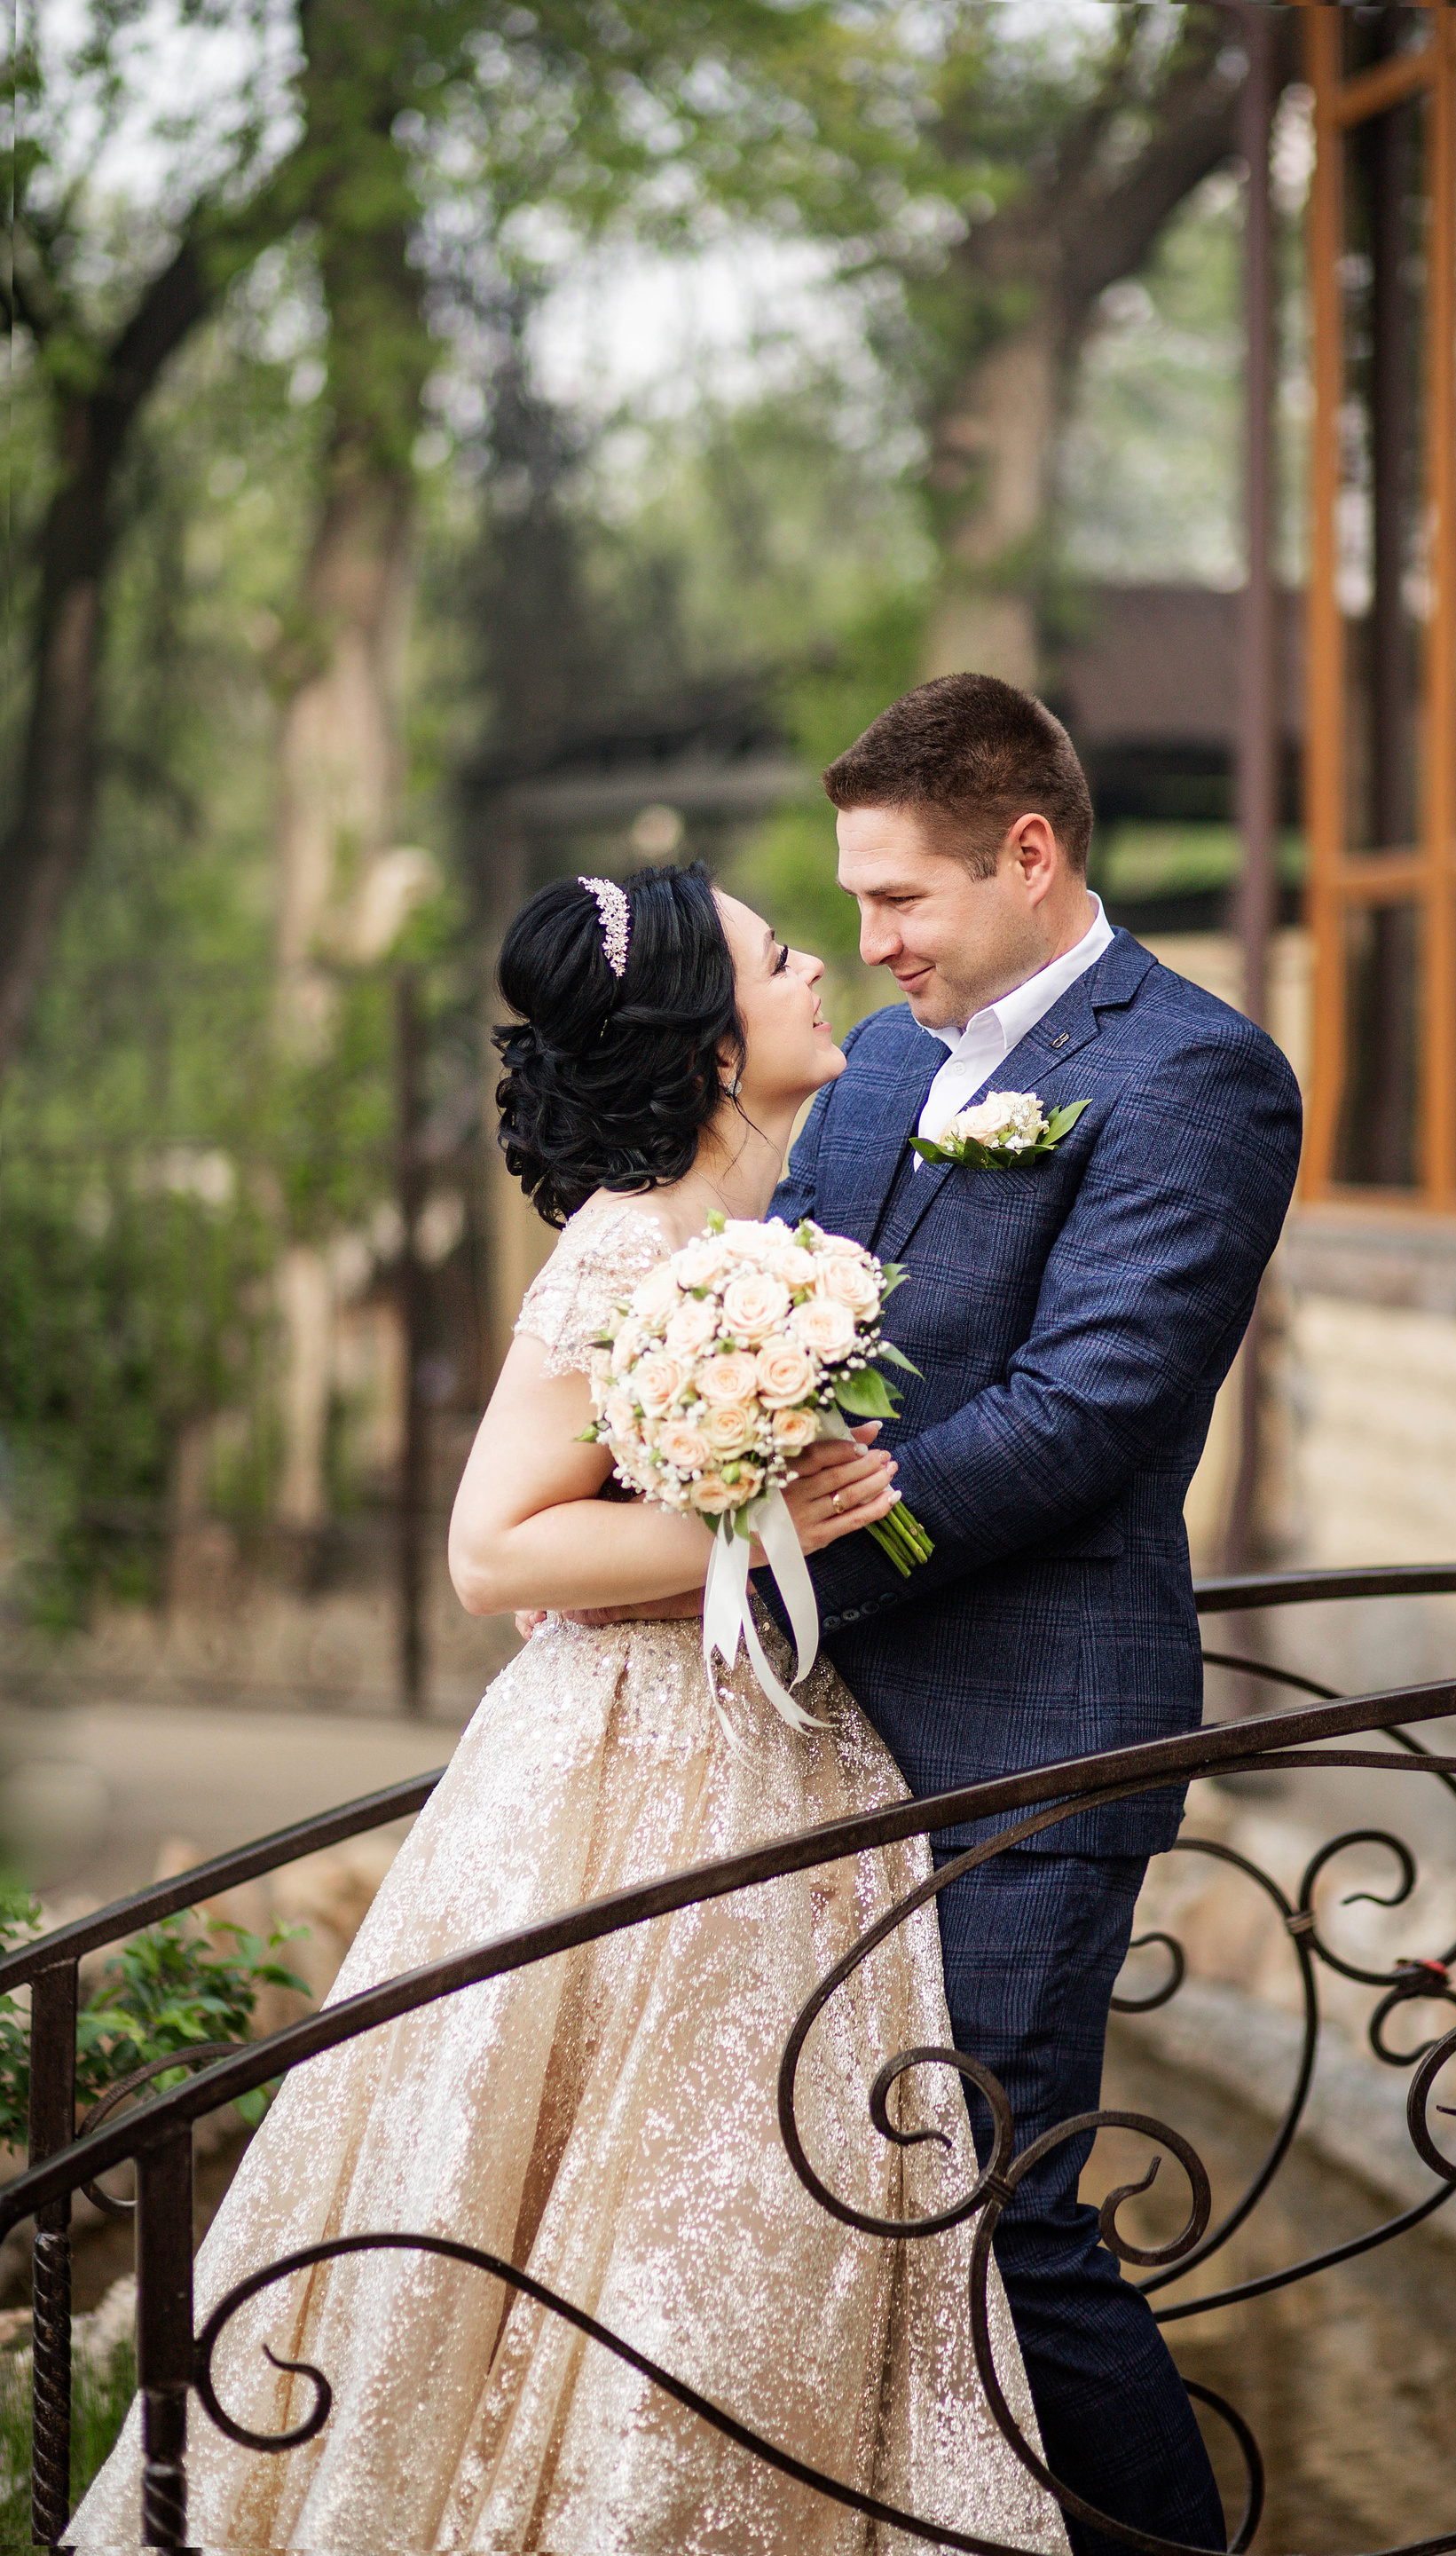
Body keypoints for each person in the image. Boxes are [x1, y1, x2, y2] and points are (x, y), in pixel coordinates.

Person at [71, 864, 1069, 2554]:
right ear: (710, 1037)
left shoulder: (745, 1229)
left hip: (761, 1745)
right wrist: (759, 1528)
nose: (814, 965)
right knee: (595, 2183)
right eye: (775, 954)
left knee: (751, 2201)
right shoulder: (630, 1244)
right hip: (626, 1767)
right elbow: (492, 1548)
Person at [755, 674, 1304, 2555]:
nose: (870, 942)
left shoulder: (1198, 1073)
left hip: (1040, 1729)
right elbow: (771, 1334)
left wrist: (788, 1559)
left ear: (1030, 852)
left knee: (1001, 2205)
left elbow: (1090, 1412)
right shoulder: (877, 1068)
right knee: (840, 2191)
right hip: (819, 1732)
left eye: (900, 898)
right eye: (854, 902)